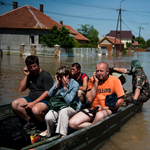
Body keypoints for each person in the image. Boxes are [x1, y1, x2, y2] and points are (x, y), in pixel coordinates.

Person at [69, 62, 124, 130]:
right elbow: (89, 99)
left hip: (108, 109)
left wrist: (104, 108)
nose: (99, 73)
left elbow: (121, 101)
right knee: (72, 123)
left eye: (101, 71)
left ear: (107, 71)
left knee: (99, 115)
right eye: (97, 71)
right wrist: (96, 82)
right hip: (93, 109)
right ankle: (93, 126)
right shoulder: (92, 79)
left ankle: (91, 130)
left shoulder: (115, 80)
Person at [11, 55, 54, 129]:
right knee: (15, 104)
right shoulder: (30, 74)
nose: (33, 69)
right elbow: (21, 89)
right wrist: (26, 75)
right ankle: (29, 121)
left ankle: (42, 124)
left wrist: (33, 103)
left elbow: (47, 92)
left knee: (35, 110)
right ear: (27, 67)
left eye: (35, 66)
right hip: (31, 98)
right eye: (31, 67)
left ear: (38, 64)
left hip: (45, 101)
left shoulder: (45, 75)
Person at [42, 65, 82, 138]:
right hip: (59, 105)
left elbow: (68, 101)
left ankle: (63, 134)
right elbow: (50, 94)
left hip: (72, 106)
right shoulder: (58, 82)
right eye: (58, 76)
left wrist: (65, 88)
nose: (59, 78)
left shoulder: (74, 84)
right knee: (48, 117)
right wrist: (56, 85)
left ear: (67, 76)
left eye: (61, 76)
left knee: (63, 111)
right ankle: (50, 133)